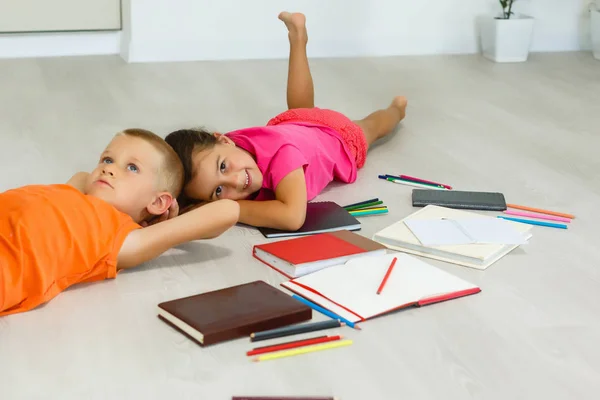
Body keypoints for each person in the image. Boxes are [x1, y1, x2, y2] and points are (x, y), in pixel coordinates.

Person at [164, 11, 407, 231]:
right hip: (296, 126)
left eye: (223, 167)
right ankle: (298, 38)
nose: (236, 181)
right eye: (219, 191)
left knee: (373, 127)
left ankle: (396, 109)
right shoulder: (226, 149)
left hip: (336, 137)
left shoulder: (282, 156)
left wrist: (222, 210)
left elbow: (292, 217)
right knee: (302, 109)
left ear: (224, 139)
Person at [0, 129, 239, 316]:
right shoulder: (74, 192)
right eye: (107, 159)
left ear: (158, 202)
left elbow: (228, 210)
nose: (110, 169)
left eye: (132, 168)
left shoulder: (121, 237)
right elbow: (83, 176)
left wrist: (165, 225)